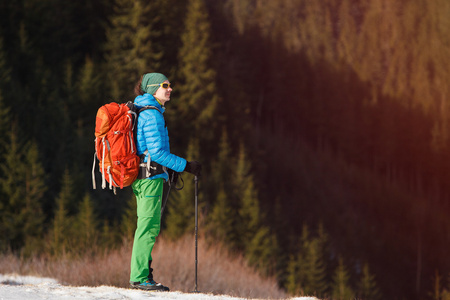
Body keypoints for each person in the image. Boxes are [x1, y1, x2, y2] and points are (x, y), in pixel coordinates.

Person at [129, 72, 202, 291]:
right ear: (152, 88)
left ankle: (143, 274)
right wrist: (186, 166)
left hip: (146, 175)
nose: (170, 89)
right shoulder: (152, 115)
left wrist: (168, 171)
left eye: (170, 85)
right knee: (148, 227)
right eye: (165, 85)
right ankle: (140, 278)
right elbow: (157, 152)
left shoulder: (148, 110)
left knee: (147, 225)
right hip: (149, 178)